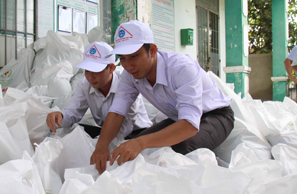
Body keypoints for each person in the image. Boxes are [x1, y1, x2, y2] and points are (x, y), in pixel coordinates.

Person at [90, 20, 235, 173]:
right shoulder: (130, 75)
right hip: (179, 118)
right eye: (122, 58)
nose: (128, 65)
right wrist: (101, 145)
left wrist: (142, 142)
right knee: (134, 148)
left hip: (216, 116)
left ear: (152, 50)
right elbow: (118, 111)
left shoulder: (181, 68)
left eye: (133, 56)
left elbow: (190, 124)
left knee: (180, 149)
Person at [46, 41, 152, 138]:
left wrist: (103, 143)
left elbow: (126, 126)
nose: (91, 77)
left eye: (96, 71)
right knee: (74, 131)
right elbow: (73, 111)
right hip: (107, 132)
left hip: (137, 133)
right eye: (87, 71)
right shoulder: (85, 84)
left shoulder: (126, 84)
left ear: (111, 68)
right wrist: (61, 116)